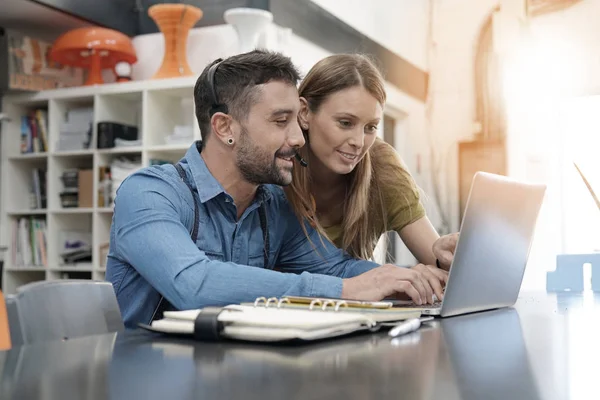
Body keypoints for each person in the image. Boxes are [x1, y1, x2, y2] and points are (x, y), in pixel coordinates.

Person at [106, 50, 445, 328]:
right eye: (281, 121)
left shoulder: (274, 206)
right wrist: (345, 289)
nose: (299, 139)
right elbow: (194, 284)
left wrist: (409, 280)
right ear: (225, 128)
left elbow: (337, 268)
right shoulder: (148, 194)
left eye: (296, 122)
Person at [284, 54, 459, 293]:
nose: (358, 142)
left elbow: (440, 264)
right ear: (304, 113)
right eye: (345, 123)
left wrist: (444, 256)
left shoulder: (381, 166)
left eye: (370, 127)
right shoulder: (276, 167)